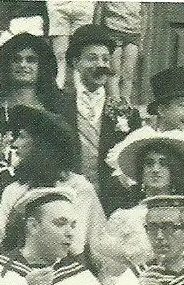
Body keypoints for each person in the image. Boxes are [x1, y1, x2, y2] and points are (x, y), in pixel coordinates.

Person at [0, 105, 106, 262]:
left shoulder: (79, 187)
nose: (15, 144)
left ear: (41, 145)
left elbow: (86, 246)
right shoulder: (13, 190)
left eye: (22, 137)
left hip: (68, 274)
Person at [0, 32, 64, 201]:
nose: (23, 65)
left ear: (42, 65)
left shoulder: (58, 106)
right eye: (16, 59)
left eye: (31, 60)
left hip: (50, 195)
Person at [99, 130, 184, 277]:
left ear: (175, 171)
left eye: (164, 164)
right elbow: (113, 272)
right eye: (149, 163)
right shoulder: (124, 219)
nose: (155, 170)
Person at [57, 24, 139, 209]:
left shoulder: (126, 112)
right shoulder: (58, 106)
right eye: (92, 58)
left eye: (105, 59)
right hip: (67, 201)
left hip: (112, 206)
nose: (100, 65)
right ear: (75, 62)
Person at [98, 1, 141, 103]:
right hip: (112, 30)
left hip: (134, 33)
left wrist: (142, 40)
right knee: (114, 71)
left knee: (129, 73)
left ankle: (126, 104)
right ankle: (114, 103)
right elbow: (100, 9)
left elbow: (145, 14)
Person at [47, 0, 96, 88]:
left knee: (82, 52)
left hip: (83, 5)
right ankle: (59, 89)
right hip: (58, 6)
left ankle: (81, 92)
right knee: (60, 54)